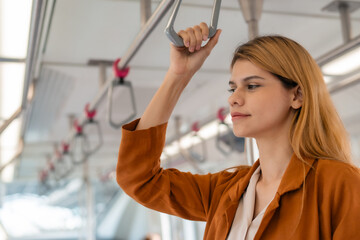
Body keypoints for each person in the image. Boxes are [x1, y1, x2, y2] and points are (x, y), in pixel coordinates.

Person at [116, 22, 360, 239]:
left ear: (296, 95)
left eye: (252, 86)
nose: (234, 99)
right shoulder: (225, 190)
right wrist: (179, 75)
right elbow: (139, 178)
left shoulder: (340, 184)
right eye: (232, 88)